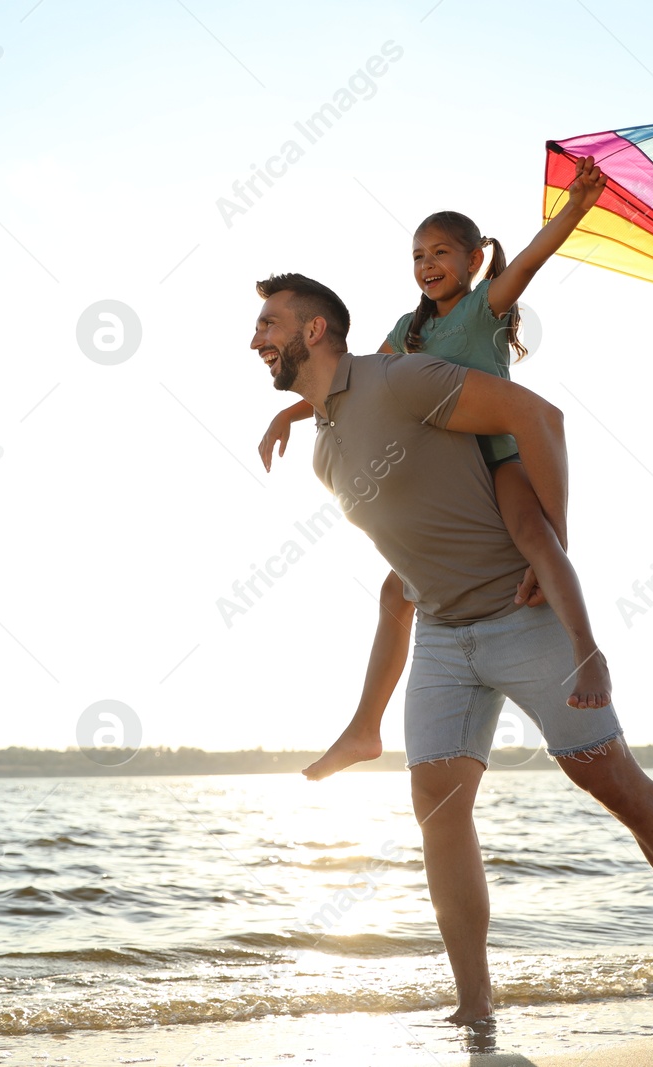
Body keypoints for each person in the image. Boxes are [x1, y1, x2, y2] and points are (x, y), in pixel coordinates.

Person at [248, 272, 653, 1024]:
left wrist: (549, 546)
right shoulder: (324, 450)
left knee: (612, 780)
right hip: (442, 637)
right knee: (438, 806)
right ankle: (475, 1004)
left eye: (268, 324)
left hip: (522, 615)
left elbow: (539, 417)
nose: (256, 339)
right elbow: (414, 546)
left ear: (315, 331)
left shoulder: (403, 378)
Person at [258, 158, 612, 781]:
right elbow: (348, 378)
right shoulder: (407, 328)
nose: (427, 265)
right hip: (446, 472)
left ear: (475, 261)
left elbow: (528, 261)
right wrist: (292, 412)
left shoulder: (483, 308)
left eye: (441, 252)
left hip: (495, 457)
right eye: (417, 255)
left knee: (537, 539)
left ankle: (588, 655)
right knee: (398, 589)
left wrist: (576, 207)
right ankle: (365, 729)